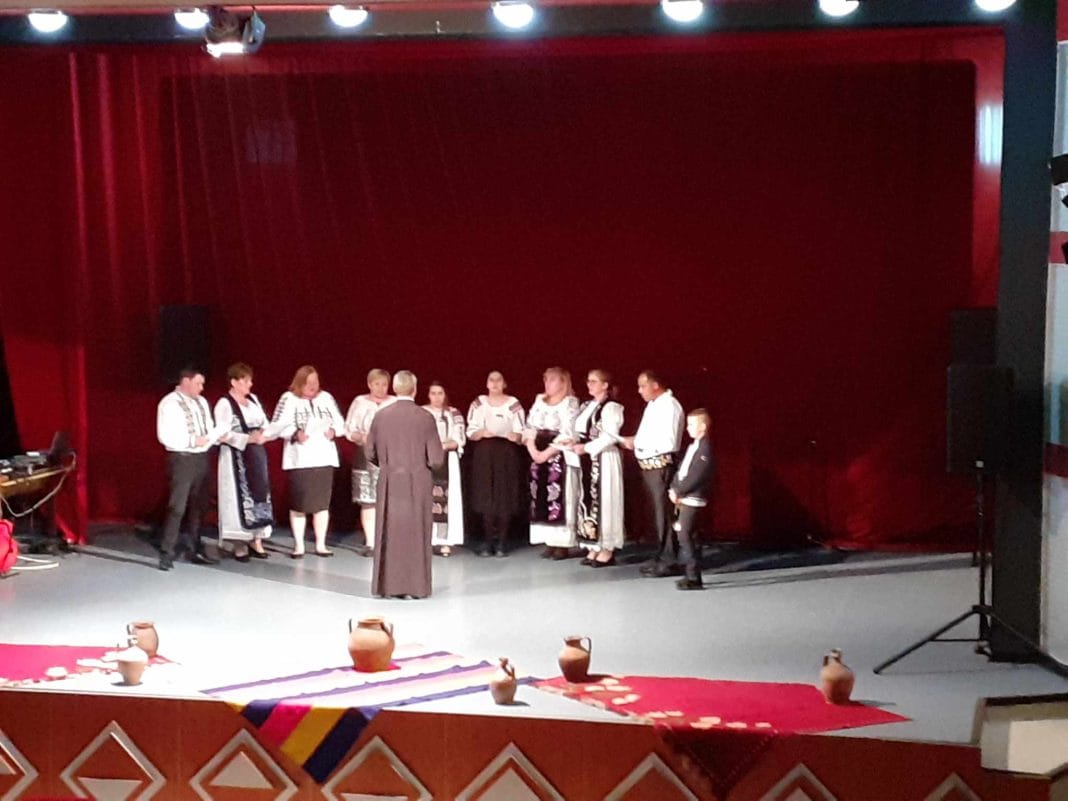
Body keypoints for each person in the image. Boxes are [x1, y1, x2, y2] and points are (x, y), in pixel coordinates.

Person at [366, 370, 444, 599]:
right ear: (415, 389)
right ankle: (415, 588)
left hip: (390, 480)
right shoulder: (425, 417)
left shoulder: (381, 416)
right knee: (416, 532)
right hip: (418, 481)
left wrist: (387, 464)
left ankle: (388, 587)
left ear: (395, 388)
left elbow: (370, 452)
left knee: (389, 532)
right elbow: (436, 459)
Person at [270, 365, 345, 558]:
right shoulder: (288, 399)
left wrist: (334, 431)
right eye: (309, 382)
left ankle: (321, 544)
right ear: (300, 382)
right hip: (300, 460)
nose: (313, 385)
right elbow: (275, 427)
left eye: (316, 381)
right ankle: (299, 545)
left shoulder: (326, 398)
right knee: (299, 504)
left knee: (321, 504)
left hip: (324, 458)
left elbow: (340, 422)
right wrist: (295, 434)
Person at [155, 367, 219, 570]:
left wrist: (215, 436)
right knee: (177, 506)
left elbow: (209, 427)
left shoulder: (202, 402)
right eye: (198, 383)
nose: (201, 388)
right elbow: (165, 435)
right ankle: (167, 551)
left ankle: (195, 547)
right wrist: (192, 440)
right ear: (186, 381)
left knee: (199, 505)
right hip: (182, 459)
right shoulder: (169, 403)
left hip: (201, 458)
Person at [622, 369, 684, 577]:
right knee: (655, 516)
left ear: (655, 385)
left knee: (664, 515)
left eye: (643, 386)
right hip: (649, 467)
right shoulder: (653, 406)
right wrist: (635, 440)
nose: (640, 391)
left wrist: (639, 442)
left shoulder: (670, 406)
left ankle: (670, 559)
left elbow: (669, 442)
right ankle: (661, 554)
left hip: (661, 467)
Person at [215, 362, 278, 562]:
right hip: (235, 457)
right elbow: (221, 434)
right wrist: (246, 439)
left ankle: (256, 539)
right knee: (237, 497)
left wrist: (264, 435)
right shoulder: (225, 404)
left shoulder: (253, 400)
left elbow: (266, 424)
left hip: (256, 455)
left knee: (260, 493)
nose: (250, 384)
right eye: (245, 381)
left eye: (250, 380)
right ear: (234, 382)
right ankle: (239, 543)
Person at [466, 370, 526, 557]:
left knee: (503, 496)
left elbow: (522, 431)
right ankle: (488, 541)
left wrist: (516, 436)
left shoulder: (513, 403)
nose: (494, 383)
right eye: (491, 380)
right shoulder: (479, 402)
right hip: (484, 453)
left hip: (506, 453)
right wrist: (480, 433)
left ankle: (501, 543)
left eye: (498, 380)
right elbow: (470, 430)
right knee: (486, 496)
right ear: (486, 383)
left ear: (504, 383)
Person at [524, 366, 580, 559]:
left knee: (558, 498)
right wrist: (533, 450)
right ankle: (548, 540)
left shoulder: (570, 403)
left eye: (553, 380)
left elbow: (568, 432)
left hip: (557, 454)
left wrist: (547, 453)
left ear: (563, 383)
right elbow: (530, 426)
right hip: (538, 452)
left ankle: (562, 544)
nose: (548, 384)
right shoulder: (539, 401)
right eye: (546, 379)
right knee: (539, 497)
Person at [571, 369, 625, 567]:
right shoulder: (587, 405)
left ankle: (607, 547)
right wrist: (573, 442)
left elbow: (610, 436)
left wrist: (586, 447)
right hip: (586, 458)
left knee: (605, 500)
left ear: (605, 385)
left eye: (594, 381)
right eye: (588, 381)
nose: (589, 385)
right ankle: (593, 544)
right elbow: (579, 430)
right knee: (587, 501)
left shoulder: (611, 407)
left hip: (604, 457)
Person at [346, 369, 394, 557]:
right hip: (365, 454)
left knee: (390, 499)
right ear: (369, 384)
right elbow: (349, 428)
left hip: (390, 455)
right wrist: (360, 436)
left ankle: (389, 541)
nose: (380, 388)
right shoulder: (360, 402)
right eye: (376, 384)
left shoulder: (394, 402)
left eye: (384, 384)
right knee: (368, 499)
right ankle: (371, 542)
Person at [669, 408, 715, 590]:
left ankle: (693, 576)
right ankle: (691, 574)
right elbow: (682, 470)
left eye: (691, 424)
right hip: (685, 497)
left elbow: (697, 475)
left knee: (685, 535)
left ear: (702, 427)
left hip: (693, 498)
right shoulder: (693, 447)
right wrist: (674, 487)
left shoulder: (705, 449)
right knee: (689, 536)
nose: (687, 428)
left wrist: (680, 491)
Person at [423, 381, 466, 556]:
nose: (436, 397)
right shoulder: (421, 412)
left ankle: (443, 540)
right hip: (424, 460)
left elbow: (459, 438)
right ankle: (424, 540)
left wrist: (444, 445)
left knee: (444, 500)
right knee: (424, 498)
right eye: (433, 393)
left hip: (446, 459)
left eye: (440, 393)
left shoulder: (453, 413)